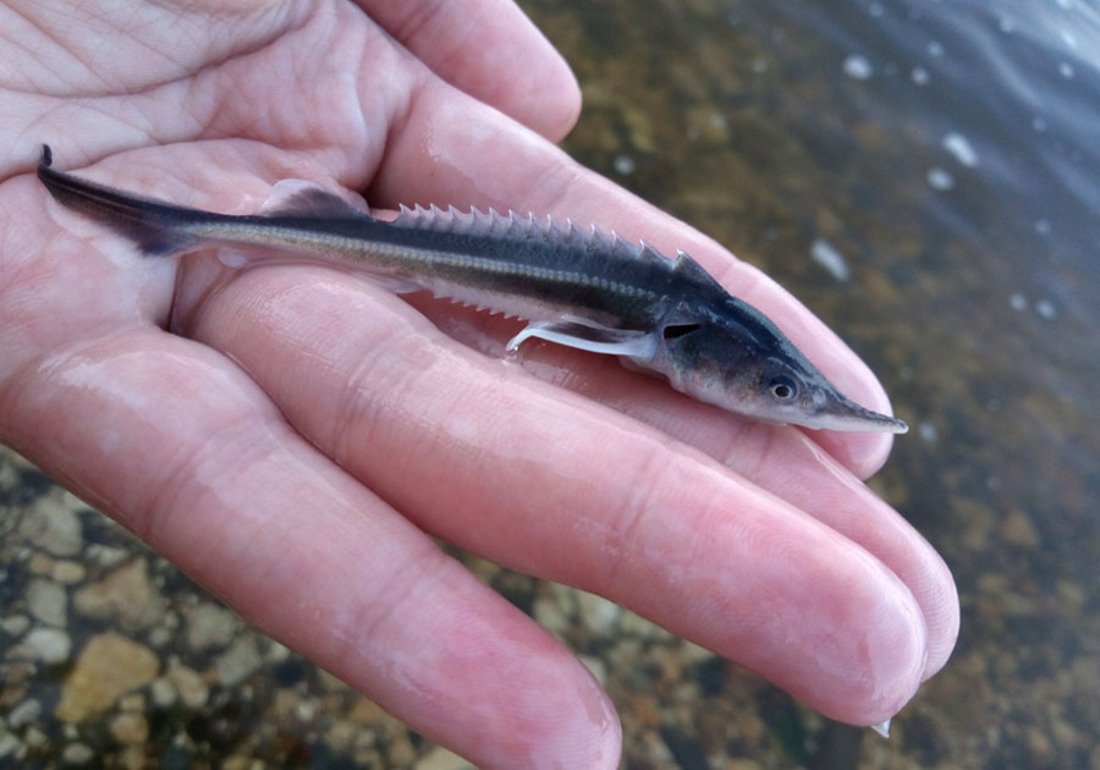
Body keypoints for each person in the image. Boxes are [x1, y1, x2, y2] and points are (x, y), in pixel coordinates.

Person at [0, 2, 958, 767]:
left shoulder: (686, 325)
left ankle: (174, 220)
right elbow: (568, 323)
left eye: (783, 395)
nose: (785, 406)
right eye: (780, 393)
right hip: (356, 236)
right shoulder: (659, 327)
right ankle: (171, 221)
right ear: (697, 347)